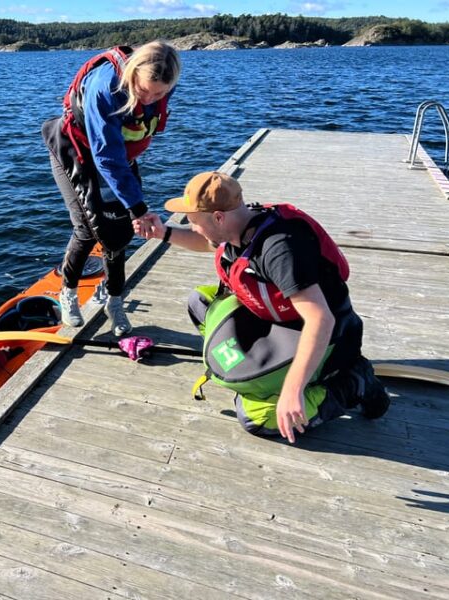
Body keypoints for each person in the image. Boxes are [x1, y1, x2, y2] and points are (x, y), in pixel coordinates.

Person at [135, 171, 390, 443]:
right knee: (199, 302)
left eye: (194, 221)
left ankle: (353, 383)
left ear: (219, 217)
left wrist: (293, 390)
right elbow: (209, 241)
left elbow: (320, 319)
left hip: (319, 336)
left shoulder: (280, 250)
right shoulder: (238, 224)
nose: (192, 226)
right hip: (270, 317)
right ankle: (257, 377)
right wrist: (163, 233)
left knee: (255, 418)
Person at [42, 41, 181, 336]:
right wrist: (139, 207)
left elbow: (120, 151)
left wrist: (134, 211)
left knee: (120, 232)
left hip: (117, 156)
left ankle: (114, 300)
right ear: (132, 74)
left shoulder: (161, 85)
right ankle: (68, 292)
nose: (150, 99)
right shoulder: (105, 88)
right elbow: (105, 157)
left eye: (160, 93)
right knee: (87, 228)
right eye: (144, 92)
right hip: (75, 151)